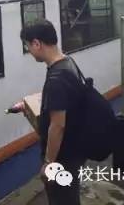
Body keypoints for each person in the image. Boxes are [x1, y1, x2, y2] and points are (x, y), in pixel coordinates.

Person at [17, 20, 85, 205]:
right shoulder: (68, 62)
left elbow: (58, 125)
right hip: (75, 150)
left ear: (37, 43)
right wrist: (28, 108)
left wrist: (49, 163)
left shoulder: (56, 79)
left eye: (28, 46)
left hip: (63, 158)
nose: (29, 51)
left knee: (62, 200)